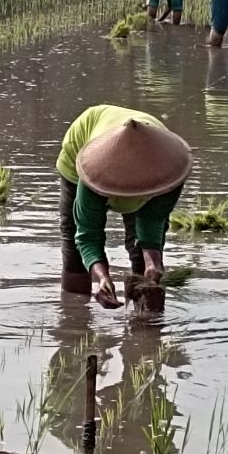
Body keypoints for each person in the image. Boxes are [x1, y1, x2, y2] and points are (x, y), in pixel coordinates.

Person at [56, 104, 193, 309]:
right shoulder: (92, 173)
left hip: (149, 150)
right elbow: (87, 235)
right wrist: (102, 277)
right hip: (86, 140)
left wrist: (152, 262)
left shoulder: (169, 173)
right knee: (74, 245)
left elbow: (152, 220)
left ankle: (145, 325)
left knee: (142, 261)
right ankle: (74, 315)